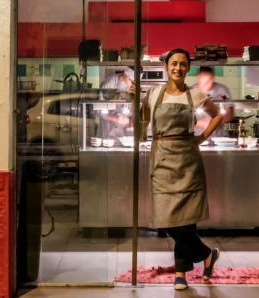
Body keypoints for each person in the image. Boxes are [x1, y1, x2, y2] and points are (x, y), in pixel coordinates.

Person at [129, 49, 232, 290]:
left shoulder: (195, 94)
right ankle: (207, 254)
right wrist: (135, 102)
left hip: (188, 160)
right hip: (162, 159)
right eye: (174, 63)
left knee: (186, 221)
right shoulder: (153, 94)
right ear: (166, 66)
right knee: (167, 220)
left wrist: (201, 138)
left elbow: (218, 115)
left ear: (188, 69)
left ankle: (181, 274)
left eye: (183, 64)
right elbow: (142, 129)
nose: (178, 68)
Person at [191, 66, 234, 137]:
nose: (205, 85)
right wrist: (202, 123)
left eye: (208, 81)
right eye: (202, 82)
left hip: (218, 139)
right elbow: (185, 118)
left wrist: (215, 122)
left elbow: (230, 115)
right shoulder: (192, 91)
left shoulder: (222, 90)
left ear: (213, 78)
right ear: (198, 77)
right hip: (196, 138)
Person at [98, 67, 136, 141]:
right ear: (125, 74)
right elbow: (97, 112)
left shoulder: (134, 88)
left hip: (125, 136)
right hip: (108, 133)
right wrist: (116, 118)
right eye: (131, 80)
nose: (133, 83)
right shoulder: (108, 84)